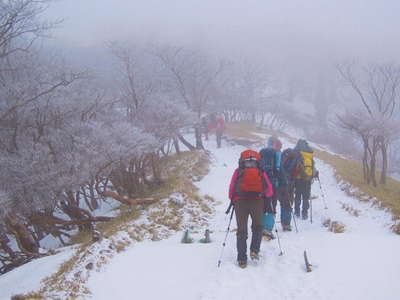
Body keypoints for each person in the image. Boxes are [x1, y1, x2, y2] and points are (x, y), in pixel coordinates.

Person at [229, 149, 273, 268]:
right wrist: (264, 197)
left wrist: (233, 200)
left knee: (241, 230)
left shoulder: (238, 171)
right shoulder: (260, 171)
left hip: (240, 202)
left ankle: (242, 259)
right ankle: (254, 251)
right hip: (257, 202)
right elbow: (269, 190)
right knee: (258, 227)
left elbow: (232, 186)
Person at [293, 139, 318, 220]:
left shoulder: (297, 153)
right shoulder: (310, 154)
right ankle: (305, 214)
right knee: (306, 197)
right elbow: (313, 168)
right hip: (307, 179)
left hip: (299, 179)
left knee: (297, 195)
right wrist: (314, 175)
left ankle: (297, 212)